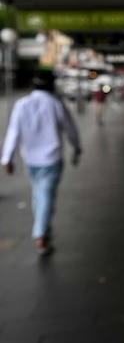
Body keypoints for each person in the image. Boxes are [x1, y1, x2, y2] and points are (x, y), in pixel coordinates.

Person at [1, 70, 82, 255]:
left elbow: (13, 131)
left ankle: (43, 227)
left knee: (38, 193)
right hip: (52, 159)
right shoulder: (56, 104)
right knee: (45, 195)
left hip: (30, 159)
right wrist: (76, 148)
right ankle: (41, 234)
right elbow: (70, 129)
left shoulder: (22, 104)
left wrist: (8, 158)